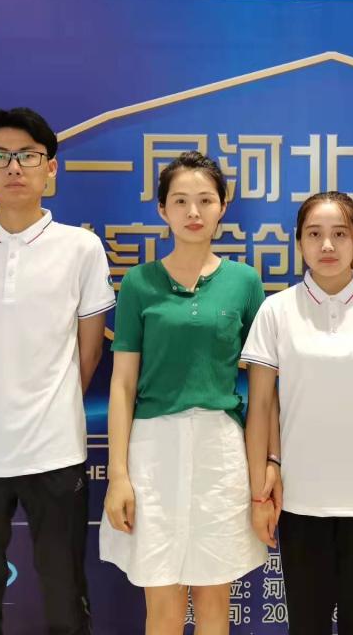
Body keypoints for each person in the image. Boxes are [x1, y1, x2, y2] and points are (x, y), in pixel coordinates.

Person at [0, 107, 114, 635]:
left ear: (50, 169)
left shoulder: (81, 247)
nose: (14, 166)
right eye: (0, 156)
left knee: (65, 596)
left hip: (55, 449)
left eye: (28, 156)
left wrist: (49, 403)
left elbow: (90, 350)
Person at [100, 151, 267, 635]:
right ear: (162, 210)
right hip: (153, 450)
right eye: (180, 201)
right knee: (163, 603)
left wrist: (265, 471)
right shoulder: (139, 282)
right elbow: (122, 384)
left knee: (214, 599)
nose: (193, 212)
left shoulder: (244, 282)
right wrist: (118, 475)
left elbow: (264, 387)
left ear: (222, 207)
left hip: (220, 449)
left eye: (205, 200)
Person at [243, 191, 353, 635]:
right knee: (308, 623)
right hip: (300, 497)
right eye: (314, 234)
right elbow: (260, 406)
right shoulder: (276, 310)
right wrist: (259, 494)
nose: (327, 245)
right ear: (299, 242)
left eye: (340, 234)